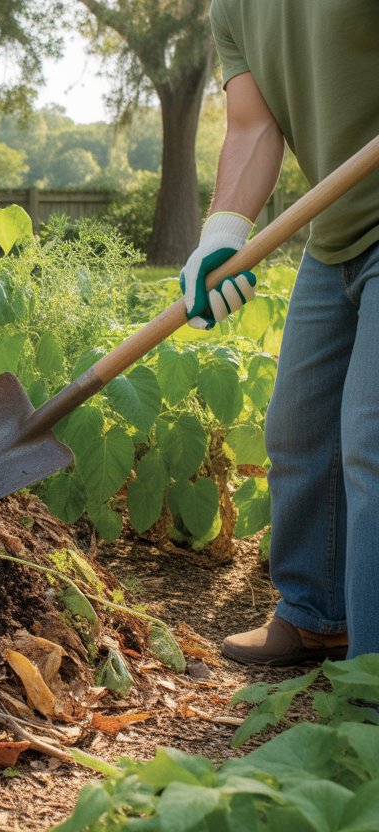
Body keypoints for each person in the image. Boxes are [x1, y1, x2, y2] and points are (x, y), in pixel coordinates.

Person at [181, 0, 379, 665]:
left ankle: (373, 671)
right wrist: (224, 233)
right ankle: (319, 614)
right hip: (338, 235)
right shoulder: (234, 8)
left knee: (373, 440)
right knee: (299, 432)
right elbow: (252, 124)